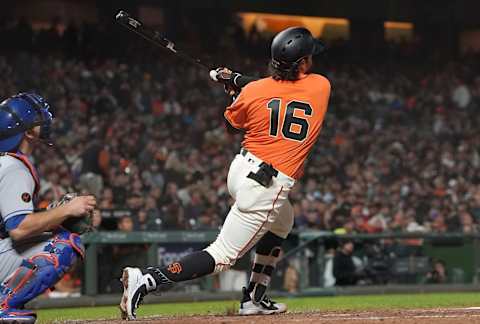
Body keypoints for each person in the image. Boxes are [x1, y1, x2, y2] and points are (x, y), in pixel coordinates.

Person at [119, 26, 330, 320]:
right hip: (266, 186)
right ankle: (147, 279)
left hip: (241, 169)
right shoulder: (321, 86)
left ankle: (255, 298)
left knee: (283, 222)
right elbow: (281, 90)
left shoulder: (255, 91)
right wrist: (236, 81)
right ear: (304, 63)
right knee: (222, 256)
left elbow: (235, 122)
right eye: (309, 57)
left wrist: (234, 87)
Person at [0, 93, 96, 323]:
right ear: (28, 131)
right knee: (63, 243)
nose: (44, 124)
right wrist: (66, 210)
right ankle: (2, 306)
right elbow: (19, 229)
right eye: (38, 120)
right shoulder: (13, 166)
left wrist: (51, 215)